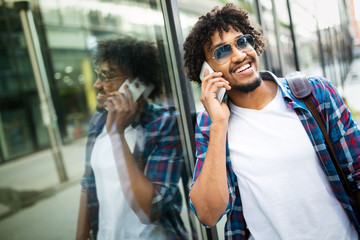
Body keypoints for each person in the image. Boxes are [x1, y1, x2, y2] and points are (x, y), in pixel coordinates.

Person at [183, 3, 360, 240]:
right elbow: (208, 214)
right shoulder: (211, 125)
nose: (239, 55)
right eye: (221, 52)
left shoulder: (316, 94)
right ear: (206, 71)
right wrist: (218, 125)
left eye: (242, 41)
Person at [76, 36, 188, 240]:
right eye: (98, 74)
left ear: (138, 83)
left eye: (108, 75)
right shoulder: (99, 121)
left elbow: (149, 209)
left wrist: (117, 134)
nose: (97, 85)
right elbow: (88, 182)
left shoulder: (165, 123)